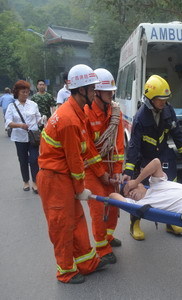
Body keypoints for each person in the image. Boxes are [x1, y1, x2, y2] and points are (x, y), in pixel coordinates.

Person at [36, 64, 110, 284]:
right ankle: (66, 271)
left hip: (62, 176)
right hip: (54, 178)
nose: (95, 93)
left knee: (77, 220)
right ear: (81, 90)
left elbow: (81, 151)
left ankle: (87, 263)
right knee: (61, 225)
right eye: (92, 89)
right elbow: (75, 161)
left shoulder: (75, 113)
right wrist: (81, 189)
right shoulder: (69, 120)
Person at [123, 75, 182, 240]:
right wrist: (129, 169)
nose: (163, 102)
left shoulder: (168, 110)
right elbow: (134, 144)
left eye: (165, 99)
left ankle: (171, 222)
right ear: (150, 99)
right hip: (144, 158)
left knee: (170, 187)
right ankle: (134, 223)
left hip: (163, 154)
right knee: (139, 191)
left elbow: (176, 133)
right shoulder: (140, 117)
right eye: (160, 99)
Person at [84, 68, 124, 264]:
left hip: (109, 167)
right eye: (108, 91)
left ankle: (108, 236)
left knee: (115, 205)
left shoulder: (115, 112)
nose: (112, 94)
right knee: (99, 209)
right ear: (96, 92)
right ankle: (102, 248)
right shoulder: (86, 113)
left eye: (112, 91)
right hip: (91, 170)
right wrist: (101, 174)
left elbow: (118, 145)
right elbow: (88, 149)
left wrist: (116, 172)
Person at [5, 80, 45, 193]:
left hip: (33, 138)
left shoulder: (33, 105)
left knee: (34, 159)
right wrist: (20, 125)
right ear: (17, 92)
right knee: (23, 160)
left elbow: (38, 119)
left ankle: (35, 182)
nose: (26, 94)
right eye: (23, 92)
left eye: (27, 92)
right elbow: (8, 122)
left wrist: (42, 120)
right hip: (19, 138)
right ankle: (26, 181)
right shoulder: (11, 106)